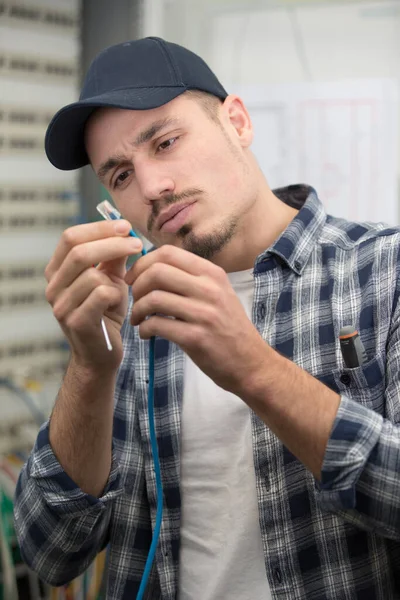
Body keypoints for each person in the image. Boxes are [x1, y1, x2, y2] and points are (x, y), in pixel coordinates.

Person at [13, 37, 400, 600]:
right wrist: (90, 369)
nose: (152, 188)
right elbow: (50, 551)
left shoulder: (382, 271)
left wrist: (253, 368)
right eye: (120, 176)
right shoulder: (128, 310)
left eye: (166, 142)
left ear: (237, 122)